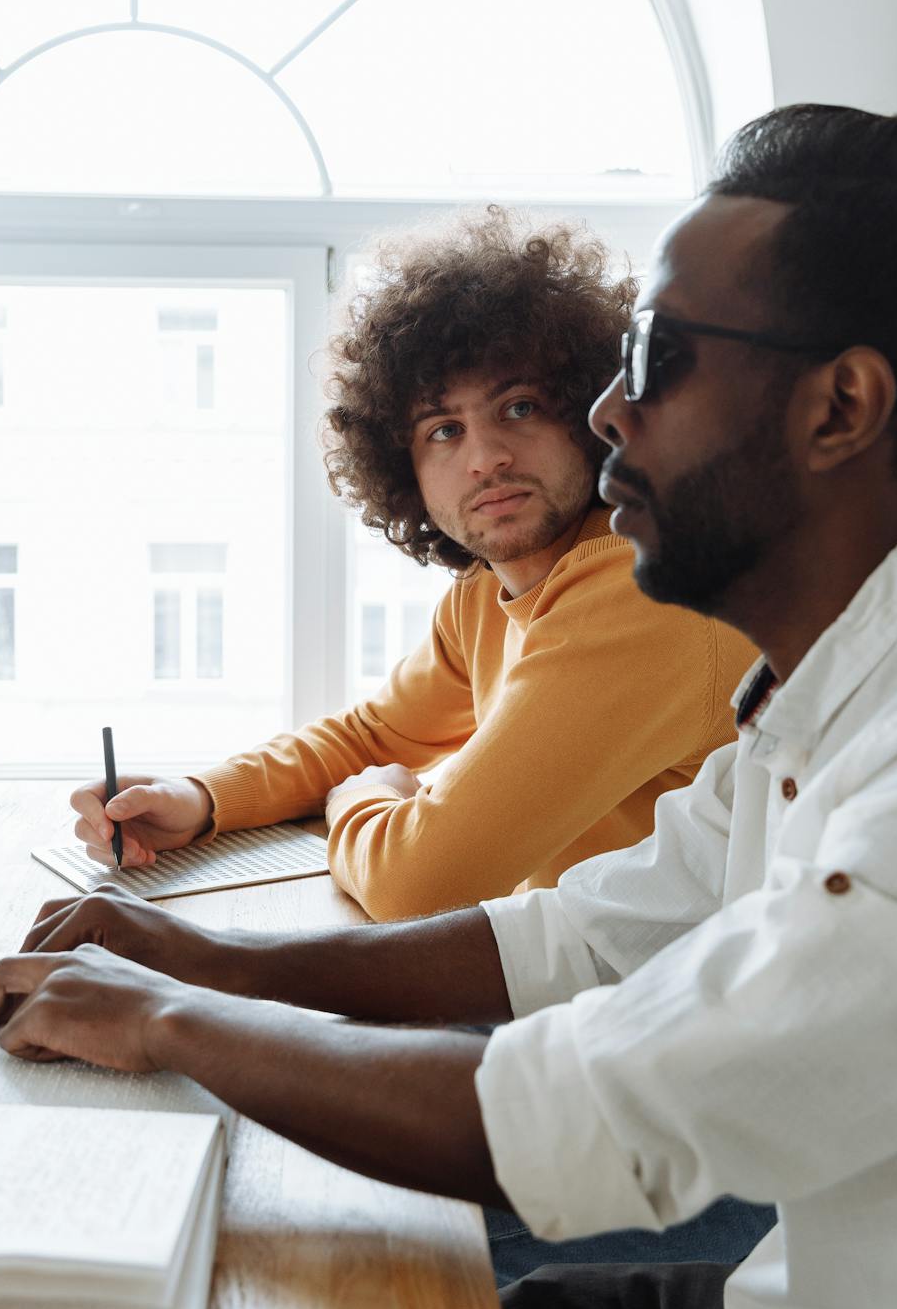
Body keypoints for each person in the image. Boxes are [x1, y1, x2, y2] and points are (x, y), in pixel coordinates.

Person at [0, 104, 897, 1309]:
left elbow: (597, 1108)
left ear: (839, 410)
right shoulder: (818, 687)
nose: (608, 414)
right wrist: (207, 959)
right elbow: (570, 939)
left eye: (656, 363)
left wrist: (172, 1022)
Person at [71, 207, 755, 923]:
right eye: (444, 430)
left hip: (662, 1006)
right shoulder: (485, 591)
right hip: (568, 977)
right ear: (402, 466)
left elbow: (415, 884)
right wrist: (200, 798)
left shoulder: (639, 589)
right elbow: (375, 736)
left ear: (592, 414)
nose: (485, 457)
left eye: (519, 408)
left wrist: (358, 799)